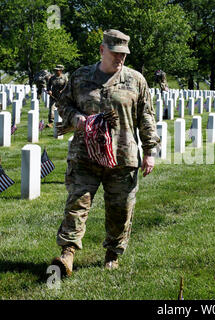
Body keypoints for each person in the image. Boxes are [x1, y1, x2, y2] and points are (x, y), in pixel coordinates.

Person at [51, 29, 160, 276]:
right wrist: (75, 117)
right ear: (102, 50)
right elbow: (63, 103)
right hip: (85, 155)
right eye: (115, 53)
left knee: (120, 209)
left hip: (122, 157)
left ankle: (113, 252)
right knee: (76, 204)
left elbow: (146, 116)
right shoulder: (81, 77)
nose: (120, 58)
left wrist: (150, 150)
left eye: (124, 54)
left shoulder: (135, 80)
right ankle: (67, 254)